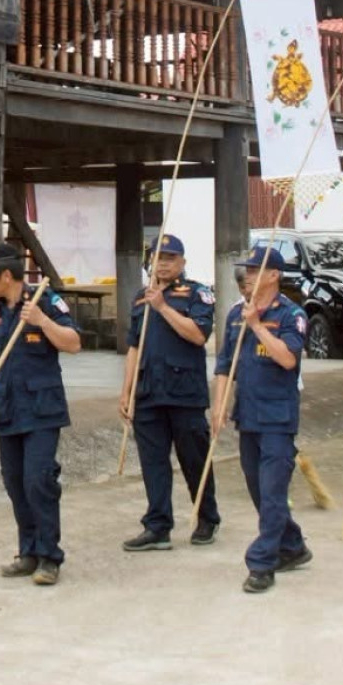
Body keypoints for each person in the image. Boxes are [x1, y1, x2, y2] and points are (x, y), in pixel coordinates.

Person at [0, 242, 82, 585]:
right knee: (15, 483)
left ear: (6, 275)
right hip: (8, 410)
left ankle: (49, 556)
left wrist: (42, 321)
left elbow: (73, 343)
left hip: (43, 410)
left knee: (38, 480)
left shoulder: (45, 301)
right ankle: (28, 551)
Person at [212, 247, 313, 594]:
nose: (248, 276)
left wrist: (258, 325)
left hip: (278, 418)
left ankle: (262, 563)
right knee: (258, 490)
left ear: (274, 275)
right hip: (249, 415)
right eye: (247, 270)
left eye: (256, 270)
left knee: (273, 492)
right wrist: (220, 403)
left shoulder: (291, 314)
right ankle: (292, 545)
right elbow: (225, 363)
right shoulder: (236, 314)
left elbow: (287, 359)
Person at [118, 234, 222, 552]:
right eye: (157, 258)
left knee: (194, 458)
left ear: (182, 262)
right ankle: (157, 525)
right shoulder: (140, 297)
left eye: (169, 258)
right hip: (149, 391)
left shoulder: (197, 294)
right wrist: (127, 390)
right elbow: (134, 345)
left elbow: (197, 335)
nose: (161, 264)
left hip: (184, 392)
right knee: (153, 462)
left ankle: (207, 518)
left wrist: (163, 307)